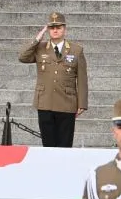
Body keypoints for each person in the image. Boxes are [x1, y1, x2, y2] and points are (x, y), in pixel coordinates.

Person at [18, 11, 88, 148]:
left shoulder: (76, 50)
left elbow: (82, 78)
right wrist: (37, 39)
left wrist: (82, 102)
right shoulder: (40, 48)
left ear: (64, 29)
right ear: (48, 29)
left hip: (67, 103)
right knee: (48, 145)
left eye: (59, 27)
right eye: (52, 28)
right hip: (45, 102)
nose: (55, 30)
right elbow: (22, 57)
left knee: (65, 145)